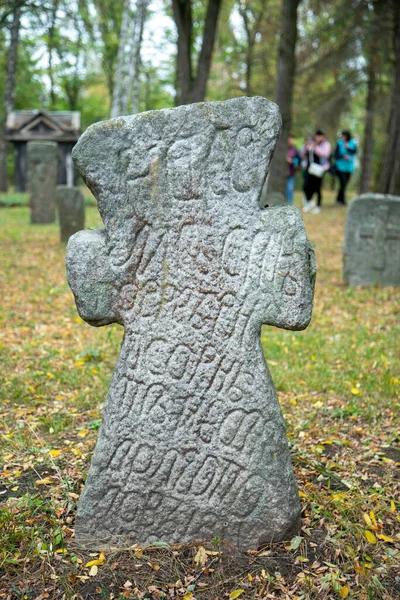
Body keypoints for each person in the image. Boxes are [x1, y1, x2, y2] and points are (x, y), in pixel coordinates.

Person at [301, 129, 331, 214]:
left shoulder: (326, 144)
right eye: (317, 135)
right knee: (306, 186)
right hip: (309, 168)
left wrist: (316, 148)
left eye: (320, 135)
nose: (318, 137)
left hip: (319, 169)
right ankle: (309, 202)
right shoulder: (311, 143)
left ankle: (318, 205)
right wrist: (306, 147)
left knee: (317, 188)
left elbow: (325, 154)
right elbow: (303, 154)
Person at [334, 130, 357, 206]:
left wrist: (348, 148)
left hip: (349, 167)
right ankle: (342, 201)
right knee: (343, 183)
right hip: (340, 167)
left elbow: (355, 151)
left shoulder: (352, 143)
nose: (342, 137)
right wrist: (343, 156)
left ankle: (339, 199)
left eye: (344, 136)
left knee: (344, 184)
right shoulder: (339, 143)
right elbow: (335, 155)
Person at [286, 134, 299, 205]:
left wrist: (291, 161)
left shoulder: (295, 150)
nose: (291, 141)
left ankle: (289, 203)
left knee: (290, 189)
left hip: (291, 173)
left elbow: (297, 161)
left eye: (292, 139)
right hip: (283, 174)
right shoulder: (283, 149)